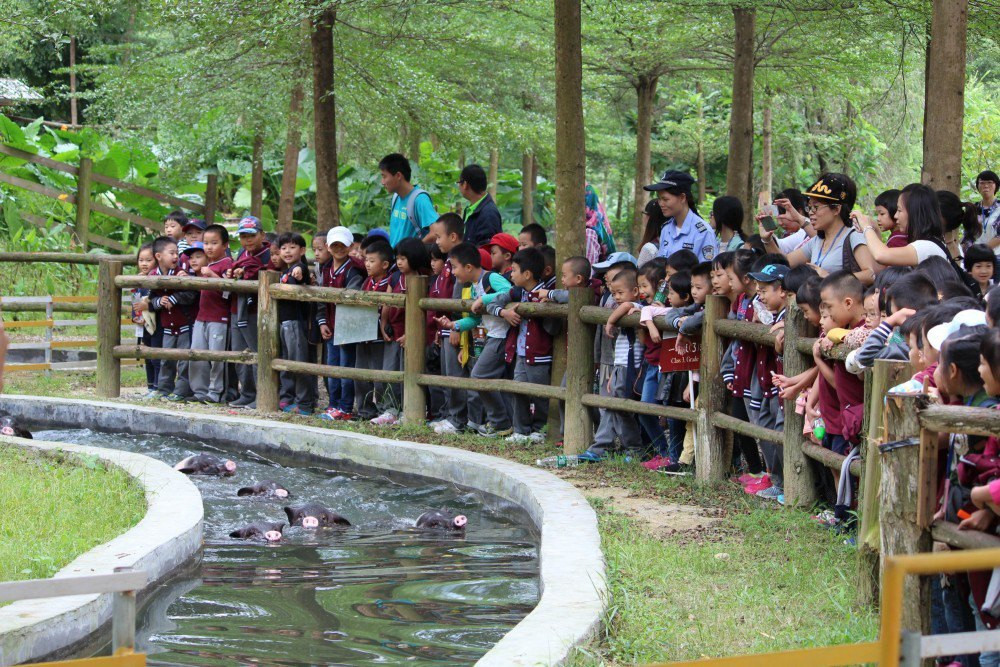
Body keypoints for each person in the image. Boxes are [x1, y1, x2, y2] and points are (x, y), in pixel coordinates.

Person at [485, 247, 558, 443]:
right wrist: (504, 313)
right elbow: (492, 304)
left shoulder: (546, 294)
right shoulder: (516, 292)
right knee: (518, 391)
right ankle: (521, 429)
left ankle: (540, 429)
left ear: (527, 274)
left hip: (539, 354)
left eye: (515, 270)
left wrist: (543, 308)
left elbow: (553, 327)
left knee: (540, 393)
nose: (511, 273)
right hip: (519, 352)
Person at [442, 242, 514, 437]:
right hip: (492, 336)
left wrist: (485, 299)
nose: (453, 272)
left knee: (479, 375)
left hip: (502, 336)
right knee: (485, 377)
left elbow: (511, 291)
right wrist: (455, 325)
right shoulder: (474, 287)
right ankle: (499, 422)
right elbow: (475, 319)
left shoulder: (491, 278)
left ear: (468, 267)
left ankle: (500, 423)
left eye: (454, 267)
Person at [578, 264, 643, 462]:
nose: (616, 298)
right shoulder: (626, 311)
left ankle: (630, 447)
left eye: (620, 292)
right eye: (613, 293)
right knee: (612, 406)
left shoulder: (637, 308)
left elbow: (626, 305)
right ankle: (608, 446)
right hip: (619, 366)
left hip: (631, 368)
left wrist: (610, 321)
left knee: (620, 408)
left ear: (635, 291)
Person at [763, 173, 876, 285]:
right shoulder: (817, 241)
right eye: (810, 207)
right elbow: (785, 263)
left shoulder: (853, 235)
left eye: (816, 207)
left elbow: (869, 275)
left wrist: (829, 277)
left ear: (836, 209)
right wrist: (767, 240)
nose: (811, 212)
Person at [373, 238, 431, 426]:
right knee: (390, 371)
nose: (399, 262)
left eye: (403, 258)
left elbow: (426, 312)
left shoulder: (423, 278)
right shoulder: (395, 277)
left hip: (412, 334)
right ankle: (390, 409)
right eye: (397, 258)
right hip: (394, 332)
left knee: (409, 371)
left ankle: (410, 409)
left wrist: (413, 335)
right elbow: (388, 301)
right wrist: (383, 323)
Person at [317, 226, 366, 421]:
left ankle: (345, 407)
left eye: (342, 245)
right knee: (332, 367)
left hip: (348, 327)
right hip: (331, 324)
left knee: (346, 369)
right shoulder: (326, 268)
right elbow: (322, 296)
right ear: (328, 246)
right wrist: (322, 322)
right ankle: (333, 404)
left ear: (350, 246)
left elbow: (350, 297)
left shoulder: (354, 268)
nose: (338, 248)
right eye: (334, 245)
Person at [225, 216, 271, 410]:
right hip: (237, 308)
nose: (247, 240)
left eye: (251, 235)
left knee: (256, 351)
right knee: (239, 352)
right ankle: (247, 393)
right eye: (243, 236)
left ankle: (262, 394)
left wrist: (244, 272)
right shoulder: (242, 252)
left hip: (256, 311)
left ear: (262, 235)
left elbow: (266, 273)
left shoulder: (269, 254)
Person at [852, 183, 949, 267]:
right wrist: (874, 228)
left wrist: (866, 227)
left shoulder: (926, 247)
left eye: (899, 210)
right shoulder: (929, 242)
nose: (895, 215)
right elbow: (879, 267)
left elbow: (881, 255)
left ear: (913, 212)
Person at [189, 225, 234, 404]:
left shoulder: (228, 263)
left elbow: (229, 291)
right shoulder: (206, 265)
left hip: (220, 318)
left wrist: (212, 275)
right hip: (201, 317)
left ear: (225, 245)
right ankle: (200, 391)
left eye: (214, 243)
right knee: (197, 353)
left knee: (217, 357)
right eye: (206, 243)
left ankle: (217, 393)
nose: (209, 247)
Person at [148, 236, 197, 402]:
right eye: (171, 253)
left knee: (184, 360)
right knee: (166, 359)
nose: (176, 256)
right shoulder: (152, 275)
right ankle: (164, 389)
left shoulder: (181, 274)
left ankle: (182, 390)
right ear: (158, 256)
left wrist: (174, 299)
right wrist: (158, 302)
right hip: (167, 326)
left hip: (184, 324)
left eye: (177, 253)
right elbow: (150, 299)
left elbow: (191, 294)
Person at [355, 241, 394, 421]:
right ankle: (365, 410)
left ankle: (384, 410)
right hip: (363, 335)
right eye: (366, 260)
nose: (367, 264)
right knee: (360, 373)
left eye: (372, 261)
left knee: (380, 376)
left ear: (385, 264)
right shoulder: (367, 282)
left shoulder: (390, 283)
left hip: (380, 336)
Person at [644, 170, 717, 262]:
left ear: (682, 198)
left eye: (665, 199)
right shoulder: (666, 229)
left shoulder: (703, 233)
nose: (661, 204)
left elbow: (706, 272)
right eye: (659, 199)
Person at [379, 153, 438, 247]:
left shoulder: (420, 200)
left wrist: (413, 250)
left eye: (384, 176)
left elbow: (436, 233)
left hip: (410, 260)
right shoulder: (395, 197)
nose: (382, 182)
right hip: (395, 259)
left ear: (398, 175)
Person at [458, 164, 502, 247]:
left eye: (459, 182)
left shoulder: (488, 214)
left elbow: (485, 250)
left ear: (465, 185)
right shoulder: (471, 209)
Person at [772, 189, 814, 254]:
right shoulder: (788, 234)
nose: (780, 223)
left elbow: (781, 247)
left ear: (799, 211)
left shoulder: (807, 232)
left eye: (783, 215)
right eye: (777, 217)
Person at [974, 169, 1000, 253]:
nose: (986, 186)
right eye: (982, 183)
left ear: (996, 185)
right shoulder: (973, 208)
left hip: (996, 256)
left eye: (989, 182)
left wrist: (981, 251)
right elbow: (968, 234)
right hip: (975, 257)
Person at [637, 199, 666, 267]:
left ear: (649, 217)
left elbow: (640, 275)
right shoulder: (670, 242)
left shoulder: (649, 248)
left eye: (644, 213)